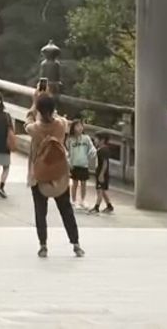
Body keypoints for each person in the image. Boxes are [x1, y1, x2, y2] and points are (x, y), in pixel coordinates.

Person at [25, 92, 84, 258]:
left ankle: (43, 245)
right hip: (59, 173)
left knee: (40, 211)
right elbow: (62, 120)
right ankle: (76, 244)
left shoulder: (34, 129)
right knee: (66, 209)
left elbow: (27, 122)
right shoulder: (60, 125)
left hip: (39, 174)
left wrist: (33, 104)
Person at [67, 120, 96, 209]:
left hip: (84, 164)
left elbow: (92, 148)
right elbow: (68, 152)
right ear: (73, 128)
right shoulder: (70, 139)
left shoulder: (86, 138)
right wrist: (69, 163)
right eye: (77, 126)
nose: (80, 128)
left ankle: (83, 200)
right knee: (75, 183)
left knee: (83, 183)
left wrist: (92, 152)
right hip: (74, 164)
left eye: (81, 126)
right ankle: (73, 200)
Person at [89, 132, 114, 214]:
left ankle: (96, 207)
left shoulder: (103, 150)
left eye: (96, 139)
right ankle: (109, 206)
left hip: (102, 173)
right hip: (100, 172)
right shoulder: (100, 149)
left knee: (100, 190)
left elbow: (105, 163)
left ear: (102, 140)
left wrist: (101, 174)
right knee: (102, 190)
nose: (95, 141)